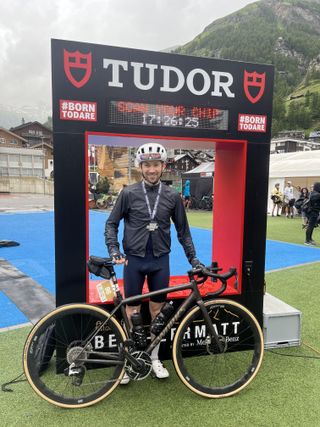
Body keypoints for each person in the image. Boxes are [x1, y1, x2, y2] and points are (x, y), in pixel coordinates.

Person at [105, 142, 203, 383]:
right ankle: (131, 358)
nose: (151, 169)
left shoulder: (172, 196)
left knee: (157, 311)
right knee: (132, 310)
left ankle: (155, 357)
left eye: (156, 164)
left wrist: (194, 259)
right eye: (147, 165)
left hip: (160, 261)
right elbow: (111, 224)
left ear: (163, 166)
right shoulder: (128, 193)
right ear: (140, 167)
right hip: (134, 261)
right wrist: (114, 248)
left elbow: (184, 232)